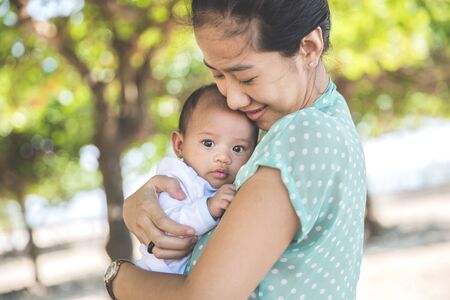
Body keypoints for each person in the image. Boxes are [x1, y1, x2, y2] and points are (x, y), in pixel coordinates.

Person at [107, 0, 367, 299]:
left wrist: (117, 277)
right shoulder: (322, 120)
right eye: (218, 75)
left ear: (308, 47)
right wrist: (147, 203)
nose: (233, 99)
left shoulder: (305, 133)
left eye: (246, 78)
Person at [135, 84, 258, 274]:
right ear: (179, 145)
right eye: (208, 143)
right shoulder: (176, 180)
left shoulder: (238, 184)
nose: (223, 157)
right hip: (157, 275)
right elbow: (167, 227)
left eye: (238, 148)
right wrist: (207, 208)